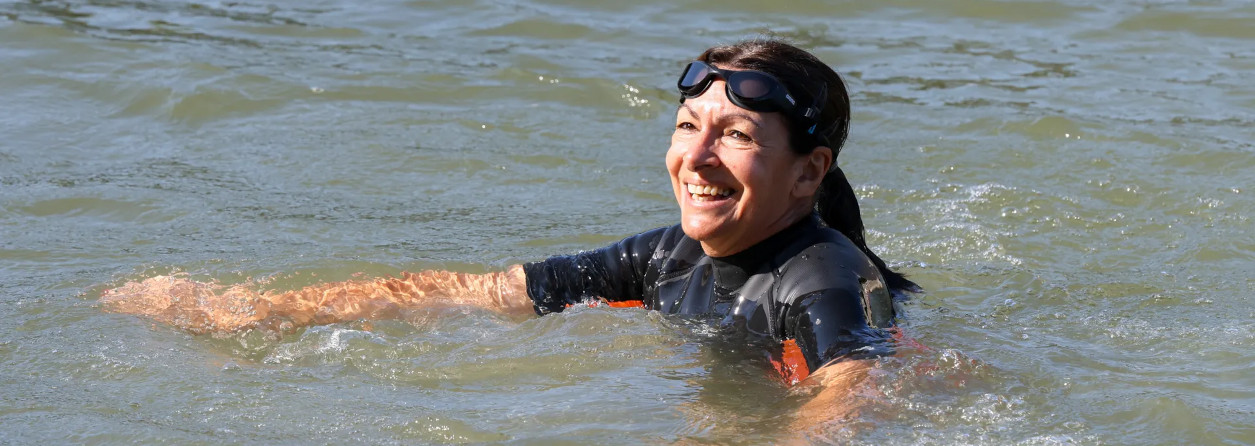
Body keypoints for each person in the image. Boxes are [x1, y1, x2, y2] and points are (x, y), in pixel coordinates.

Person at [103, 39, 918, 390]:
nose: (694, 159)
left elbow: (851, 388)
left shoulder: (822, 278)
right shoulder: (667, 256)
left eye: (734, 136)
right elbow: (487, 291)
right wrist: (268, 313)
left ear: (810, 172)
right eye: (684, 128)